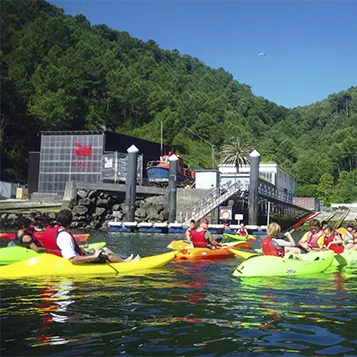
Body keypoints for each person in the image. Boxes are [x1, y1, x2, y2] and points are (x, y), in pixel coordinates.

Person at [40, 209, 140, 264]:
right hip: (74, 260)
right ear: (70, 223)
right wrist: (94, 256)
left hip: (57, 258)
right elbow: (72, 259)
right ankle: (127, 264)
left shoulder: (51, 229)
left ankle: (125, 259)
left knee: (104, 248)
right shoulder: (65, 236)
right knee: (106, 254)